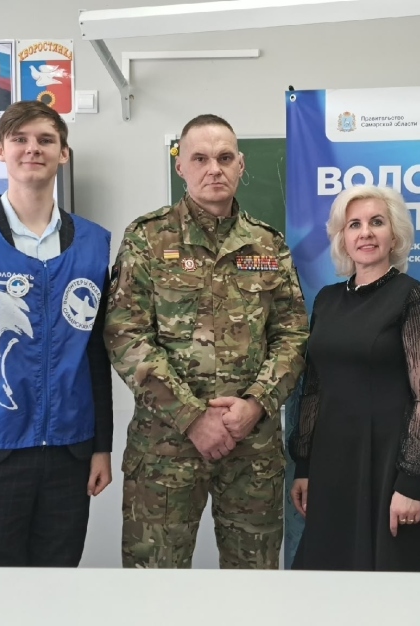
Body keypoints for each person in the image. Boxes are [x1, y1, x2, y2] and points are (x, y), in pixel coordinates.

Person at [105, 114, 309, 569]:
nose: (213, 168)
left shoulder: (268, 244)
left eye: (224, 157)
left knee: (252, 586)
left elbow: (292, 335)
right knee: (154, 585)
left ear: (241, 165)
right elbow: (125, 334)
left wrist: (255, 403)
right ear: (180, 166)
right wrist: (193, 418)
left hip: (251, 448)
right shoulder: (147, 238)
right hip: (166, 449)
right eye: (200, 158)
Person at [0, 100, 113, 567]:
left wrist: (102, 447)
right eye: (20, 139)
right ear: (1, 151)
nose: (33, 149)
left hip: (71, 451)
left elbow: (96, 353)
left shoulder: (94, 243)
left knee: (60, 584)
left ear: (63, 154)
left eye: (46, 140)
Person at [288, 184, 420, 572]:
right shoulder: (327, 300)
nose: (365, 233)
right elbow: (313, 389)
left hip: (391, 468)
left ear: (394, 235)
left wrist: (411, 484)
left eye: (377, 222)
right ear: (342, 238)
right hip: (333, 466)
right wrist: (304, 467)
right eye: (354, 224)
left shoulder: (414, 297)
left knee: (395, 587)